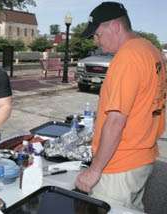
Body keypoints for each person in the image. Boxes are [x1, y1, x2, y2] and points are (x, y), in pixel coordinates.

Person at [75, 2, 166, 211]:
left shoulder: (127, 58)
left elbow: (116, 120)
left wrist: (94, 170)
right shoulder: (151, 50)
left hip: (120, 163)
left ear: (115, 27)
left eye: (97, 34)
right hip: (143, 155)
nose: (96, 42)